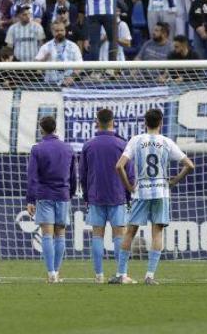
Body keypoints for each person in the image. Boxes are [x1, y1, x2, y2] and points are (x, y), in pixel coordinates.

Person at [115, 108, 195, 285]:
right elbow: (189, 165)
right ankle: (150, 276)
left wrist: (129, 186)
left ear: (145, 123)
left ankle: (121, 274)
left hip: (141, 191)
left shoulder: (136, 140)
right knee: (157, 232)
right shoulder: (166, 142)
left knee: (130, 231)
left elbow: (119, 166)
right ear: (161, 123)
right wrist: (173, 181)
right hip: (161, 191)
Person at [80, 108, 130, 284]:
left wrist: (87, 195)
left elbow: (83, 175)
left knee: (97, 236)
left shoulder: (88, 145)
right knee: (119, 235)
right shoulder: (122, 144)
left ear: (96, 122)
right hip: (117, 195)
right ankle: (121, 273)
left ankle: (98, 275)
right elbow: (129, 173)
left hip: (96, 195)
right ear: (113, 122)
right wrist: (129, 194)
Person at [26, 115, 76, 283]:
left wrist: (30, 200)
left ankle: (51, 274)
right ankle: (56, 272)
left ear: (41, 129)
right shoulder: (68, 148)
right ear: (55, 128)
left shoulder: (37, 149)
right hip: (63, 195)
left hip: (44, 195)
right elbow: (73, 175)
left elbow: (32, 176)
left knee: (47, 234)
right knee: (60, 234)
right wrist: (71, 194)